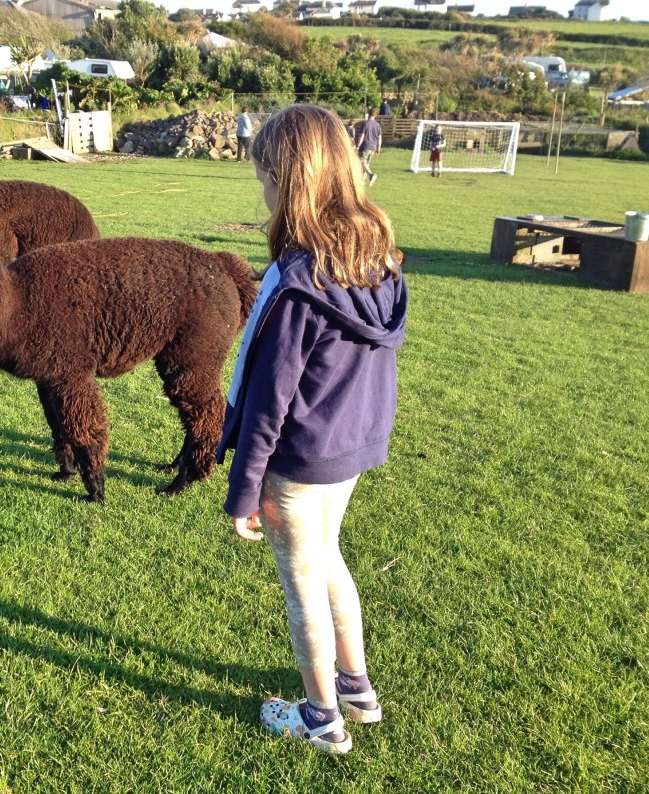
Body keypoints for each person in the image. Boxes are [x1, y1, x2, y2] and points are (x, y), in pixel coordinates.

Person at [217, 104, 408, 756]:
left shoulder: (298, 283)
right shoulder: (377, 261)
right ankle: (357, 688)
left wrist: (244, 492)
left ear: (287, 179)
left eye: (265, 176)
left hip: (297, 467)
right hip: (348, 455)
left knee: (304, 586)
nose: (262, 190)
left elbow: (268, 403)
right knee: (329, 559)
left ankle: (321, 718)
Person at [355, 108, 382, 186]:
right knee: (366, 164)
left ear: (368, 114)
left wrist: (358, 145)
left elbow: (362, 135)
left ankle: (371, 175)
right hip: (373, 147)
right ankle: (362, 181)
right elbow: (379, 137)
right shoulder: (377, 125)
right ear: (376, 115)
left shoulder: (365, 124)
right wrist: (379, 148)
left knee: (362, 162)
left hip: (365, 146)